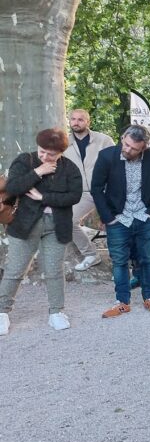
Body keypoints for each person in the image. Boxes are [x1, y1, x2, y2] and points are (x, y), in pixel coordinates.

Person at [0, 128, 83, 335]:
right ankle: (2, 312)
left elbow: (74, 196)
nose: (45, 156)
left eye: (51, 154)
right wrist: (38, 172)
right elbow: (14, 187)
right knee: (15, 270)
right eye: (42, 151)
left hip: (57, 225)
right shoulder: (25, 160)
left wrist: (43, 198)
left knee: (54, 270)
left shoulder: (70, 168)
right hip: (24, 224)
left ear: (61, 153)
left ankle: (56, 312)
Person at [90, 125, 150, 317]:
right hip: (118, 218)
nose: (127, 149)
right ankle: (122, 301)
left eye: (134, 148)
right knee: (119, 261)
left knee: (148, 259)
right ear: (122, 137)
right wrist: (108, 218)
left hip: (144, 216)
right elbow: (96, 188)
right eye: (126, 144)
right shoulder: (107, 156)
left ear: (144, 148)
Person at [62, 109, 113, 271]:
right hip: (82, 193)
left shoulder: (104, 140)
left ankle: (121, 263)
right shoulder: (64, 143)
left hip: (106, 191)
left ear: (88, 122)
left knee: (115, 225)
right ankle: (91, 254)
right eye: (73, 119)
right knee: (68, 221)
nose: (76, 122)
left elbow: (116, 164)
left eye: (80, 119)